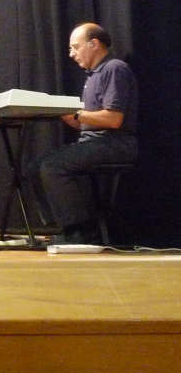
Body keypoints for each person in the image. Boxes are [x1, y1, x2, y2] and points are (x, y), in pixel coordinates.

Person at [31, 23, 138, 244]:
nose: (71, 54)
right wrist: (60, 113)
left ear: (94, 44)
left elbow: (113, 119)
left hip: (116, 143)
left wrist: (77, 114)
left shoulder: (114, 68)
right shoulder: (91, 76)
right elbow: (86, 124)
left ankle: (81, 231)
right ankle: (61, 227)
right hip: (94, 142)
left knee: (52, 166)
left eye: (75, 47)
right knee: (35, 167)